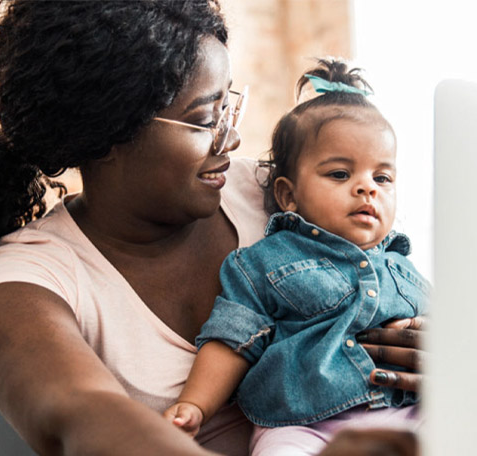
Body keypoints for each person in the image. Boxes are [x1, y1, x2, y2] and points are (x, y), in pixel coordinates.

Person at [0, 2, 423, 455]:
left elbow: (392, 275)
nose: (231, 139)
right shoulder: (25, 287)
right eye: (203, 120)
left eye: (227, 108)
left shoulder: (280, 196)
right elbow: (82, 420)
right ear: (108, 133)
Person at [164, 59, 429, 456]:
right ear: (289, 195)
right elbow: (232, 340)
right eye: (340, 174)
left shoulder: (402, 266)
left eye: (382, 178)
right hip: (306, 425)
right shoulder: (264, 262)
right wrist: (195, 404)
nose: (366, 189)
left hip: (407, 415)